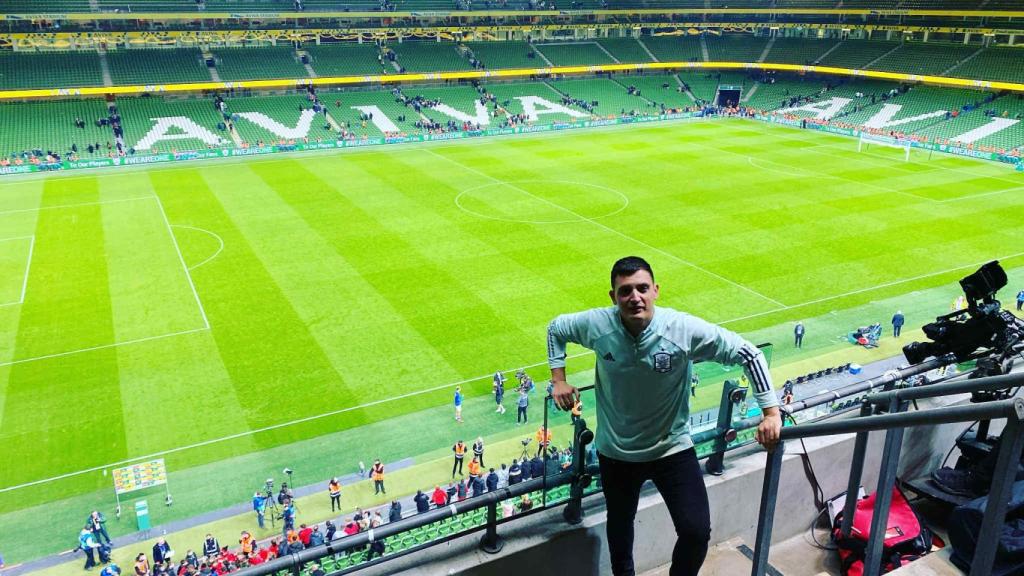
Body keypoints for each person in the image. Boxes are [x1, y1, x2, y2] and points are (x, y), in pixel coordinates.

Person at [547, 256, 781, 576]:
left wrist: (771, 412)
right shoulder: (598, 324)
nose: (635, 297)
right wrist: (558, 380)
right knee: (620, 531)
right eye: (625, 291)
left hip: (671, 448)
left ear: (655, 290)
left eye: (642, 288)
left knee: (696, 532)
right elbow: (555, 328)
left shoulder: (681, 329)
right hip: (616, 453)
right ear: (613, 297)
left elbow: (749, 354)